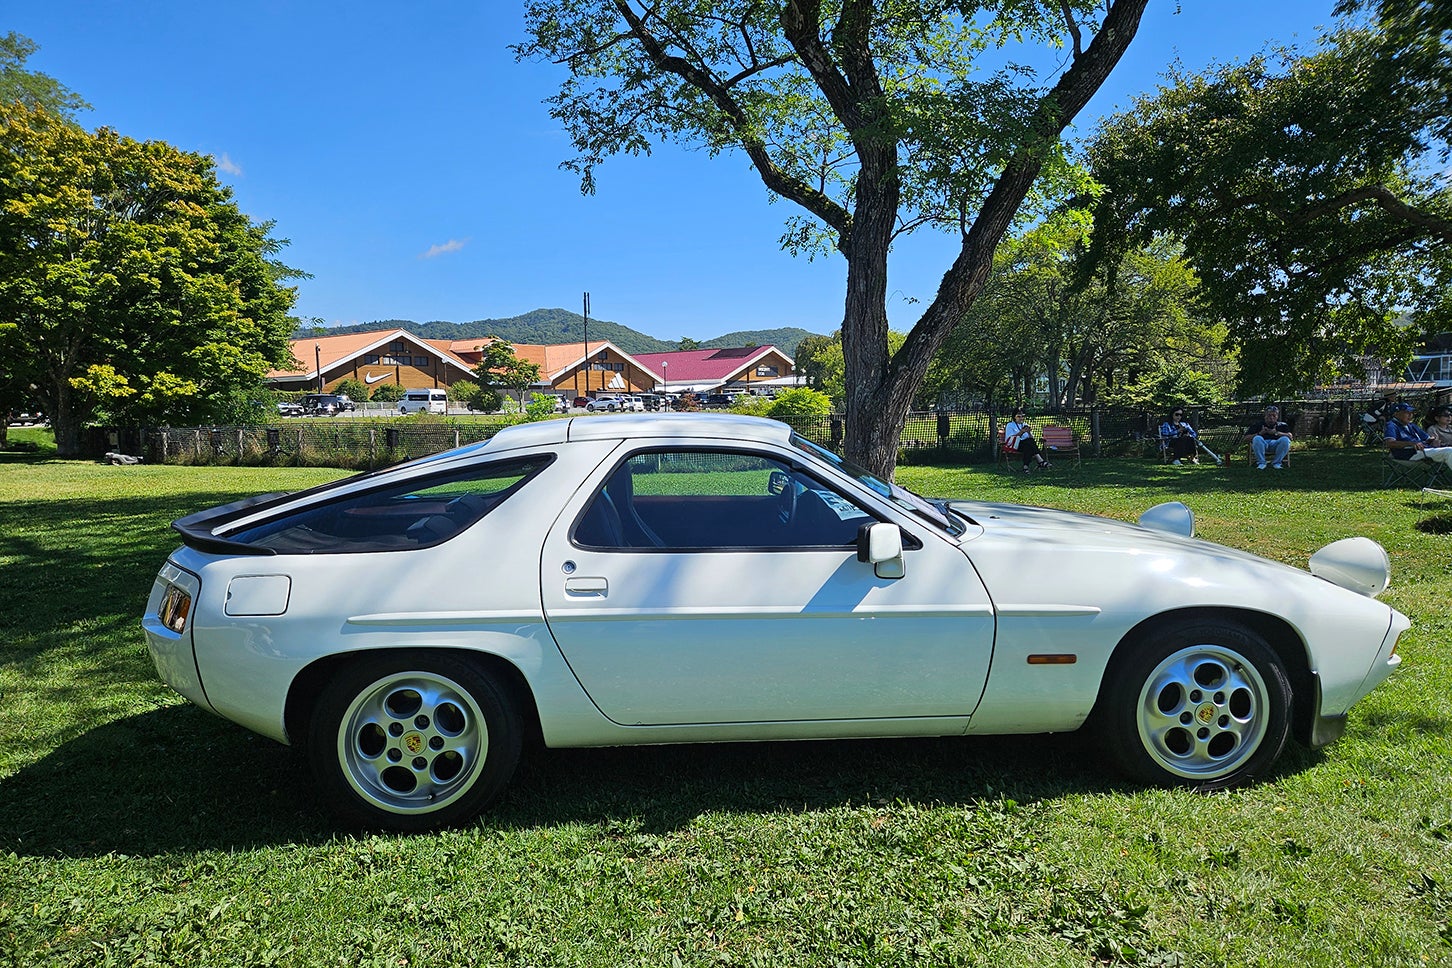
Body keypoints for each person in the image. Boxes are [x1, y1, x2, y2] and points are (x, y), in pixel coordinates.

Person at [1386, 402, 1452, 467]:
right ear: (1396, 414)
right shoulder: (1391, 425)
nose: (1410, 415)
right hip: (1408, 453)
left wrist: (1433, 440)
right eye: (1407, 412)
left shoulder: (1411, 425)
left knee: (1449, 450)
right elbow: (1389, 443)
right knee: (1449, 451)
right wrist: (1411, 443)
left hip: (1424, 450)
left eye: (1411, 413)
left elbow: (1428, 439)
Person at [1244, 405, 1292, 469]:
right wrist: (1260, 433)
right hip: (1262, 445)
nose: (1271, 417)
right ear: (1265, 416)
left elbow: (1290, 437)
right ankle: (1261, 463)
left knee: (1285, 440)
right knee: (1257, 438)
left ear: (1277, 417)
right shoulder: (1257, 425)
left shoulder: (1282, 425)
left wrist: (1276, 433)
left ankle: (1277, 463)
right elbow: (1246, 438)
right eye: (1269, 415)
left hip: (1276, 445)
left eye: (1274, 415)